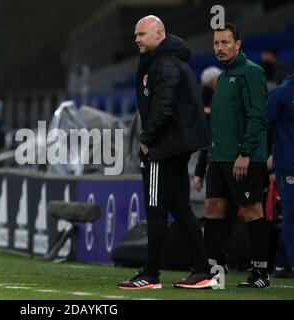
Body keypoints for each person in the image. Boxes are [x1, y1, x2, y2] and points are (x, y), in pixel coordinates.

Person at [117, 15, 218, 290]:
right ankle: (203, 270)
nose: (137, 39)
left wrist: (147, 140)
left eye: (142, 34)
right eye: (135, 34)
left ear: (159, 33)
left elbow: (164, 105)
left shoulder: (166, 64)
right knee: (181, 208)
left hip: (164, 147)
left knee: (156, 209)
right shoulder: (164, 61)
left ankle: (150, 274)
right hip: (175, 145)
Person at [204, 23, 271, 288]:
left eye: (225, 43)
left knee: (252, 210)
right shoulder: (222, 77)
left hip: (245, 159)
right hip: (218, 158)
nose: (220, 48)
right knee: (213, 208)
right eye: (216, 43)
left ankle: (261, 273)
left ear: (238, 44)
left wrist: (245, 153)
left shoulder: (251, 72)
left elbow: (257, 115)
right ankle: (212, 270)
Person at [267, 71, 294, 278]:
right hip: (288, 164)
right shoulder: (282, 93)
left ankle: (282, 264)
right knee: (291, 213)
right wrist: (269, 154)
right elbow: (264, 122)